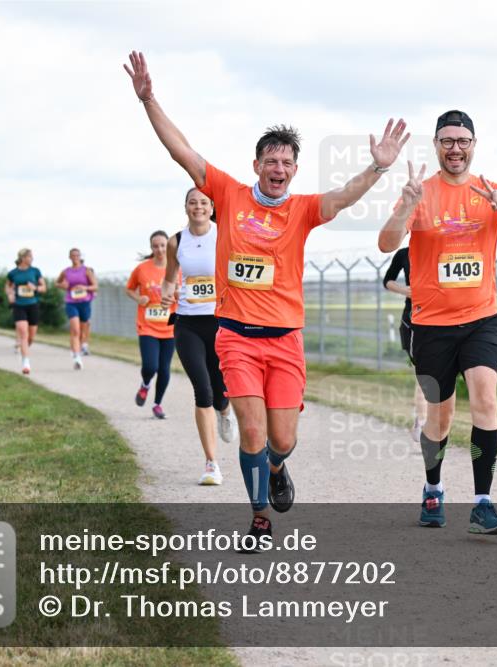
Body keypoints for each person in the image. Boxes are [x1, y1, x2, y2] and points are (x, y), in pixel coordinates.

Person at [125, 50, 409, 548]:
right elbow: (182, 151)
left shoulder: (301, 210)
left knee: (282, 440)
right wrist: (149, 99)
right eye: (270, 160)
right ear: (256, 165)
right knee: (251, 436)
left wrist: (377, 169)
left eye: (286, 162)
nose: (278, 167)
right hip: (234, 337)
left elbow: (342, 195)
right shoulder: (229, 194)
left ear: (295, 170)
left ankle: (278, 467)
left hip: (285, 341)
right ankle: (259, 518)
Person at [378, 110, 497, 534]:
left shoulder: (488, 190)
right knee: (440, 418)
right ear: (436, 145)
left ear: (473, 145)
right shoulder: (422, 193)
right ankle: (433, 488)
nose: (455, 148)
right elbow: (386, 242)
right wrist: (407, 209)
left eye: (463, 140)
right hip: (432, 325)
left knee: (486, 399)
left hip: (481, 319)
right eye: (447, 140)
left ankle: (482, 503)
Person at [161, 187, 237, 486]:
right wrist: (166, 296)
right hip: (187, 323)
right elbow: (169, 279)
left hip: (220, 321)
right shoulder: (176, 241)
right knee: (202, 391)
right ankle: (211, 463)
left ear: (211, 207)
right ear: (186, 207)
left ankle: (226, 409)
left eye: (203, 203)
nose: (198, 207)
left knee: (220, 390)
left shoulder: (224, 234)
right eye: (193, 203)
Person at [126, 231, 178, 419]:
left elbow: (183, 294)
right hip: (147, 326)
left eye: (163, 245)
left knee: (164, 368)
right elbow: (129, 289)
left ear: (169, 246)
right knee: (150, 366)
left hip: (170, 327)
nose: (160, 249)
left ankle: (157, 404)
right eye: (156, 246)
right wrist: (139, 298)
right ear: (151, 248)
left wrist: (176, 295)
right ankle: (145, 384)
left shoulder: (177, 269)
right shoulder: (142, 269)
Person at [382, 246, 427, 443]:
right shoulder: (404, 254)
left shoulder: (441, 247)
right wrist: (405, 290)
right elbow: (388, 280)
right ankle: (422, 422)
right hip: (413, 319)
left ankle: (432, 420)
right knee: (424, 373)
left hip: (443, 318)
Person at [6, 248, 47, 374]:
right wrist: (10, 294)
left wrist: (35, 287)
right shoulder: (13, 273)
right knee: (23, 333)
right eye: (29, 256)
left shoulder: (35, 271)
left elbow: (44, 288)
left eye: (32, 256)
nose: (31, 259)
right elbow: (8, 286)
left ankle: (25, 351)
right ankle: (26, 363)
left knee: (31, 336)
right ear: (22, 258)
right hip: (19, 305)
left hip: (32, 305)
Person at [56, 249, 98, 370]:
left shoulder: (87, 271)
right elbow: (57, 283)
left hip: (84, 303)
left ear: (80, 257)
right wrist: (62, 285)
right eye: (73, 255)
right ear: (69, 257)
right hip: (71, 303)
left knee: (83, 330)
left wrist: (85, 287)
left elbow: (95, 286)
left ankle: (80, 347)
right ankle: (77, 357)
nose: (75, 257)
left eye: (77, 255)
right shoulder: (66, 271)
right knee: (75, 330)